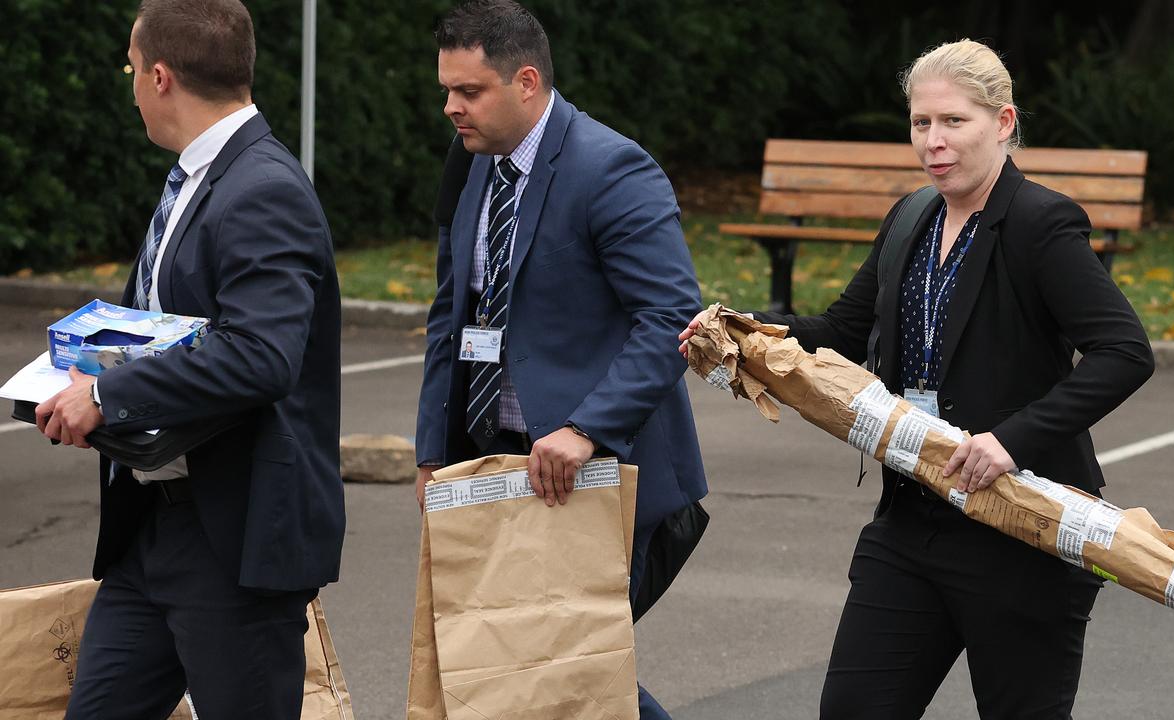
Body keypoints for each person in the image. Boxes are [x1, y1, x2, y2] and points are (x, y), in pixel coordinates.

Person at [680, 39, 1154, 718]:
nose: (934, 141)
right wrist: (737, 327)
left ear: (1003, 123)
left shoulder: (1040, 223)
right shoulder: (910, 218)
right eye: (921, 123)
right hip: (912, 520)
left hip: (1020, 526)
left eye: (954, 122)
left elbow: (1125, 351)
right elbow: (842, 331)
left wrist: (1010, 440)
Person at [34, 1, 344, 717]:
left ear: (161, 76)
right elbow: (170, 330)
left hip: (232, 544)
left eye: (131, 69)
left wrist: (107, 399)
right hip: (152, 527)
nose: (132, 85)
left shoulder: (262, 188)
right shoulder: (197, 176)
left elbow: (261, 355)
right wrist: (85, 371)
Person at [415, 2, 706, 717]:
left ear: (525, 81)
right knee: (523, 676)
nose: (451, 107)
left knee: (553, 672)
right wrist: (431, 451)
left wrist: (586, 426)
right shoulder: (472, 162)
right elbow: (449, 313)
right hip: (496, 465)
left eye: (469, 91)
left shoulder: (610, 168)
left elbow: (672, 317)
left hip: (595, 473)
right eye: (446, 90)